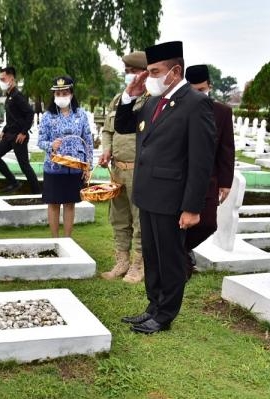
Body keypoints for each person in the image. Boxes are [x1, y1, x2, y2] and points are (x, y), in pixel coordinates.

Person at [114, 41, 216, 334]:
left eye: (154, 71)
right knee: (153, 255)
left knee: (170, 258)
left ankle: (165, 314)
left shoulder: (196, 104)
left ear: (175, 71)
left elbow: (201, 161)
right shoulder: (152, 100)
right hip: (148, 194)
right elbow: (124, 126)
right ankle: (153, 306)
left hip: (173, 199)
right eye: (147, 72)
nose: (148, 78)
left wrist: (193, 207)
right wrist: (128, 96)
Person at [99, 51, 148, 283]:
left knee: (139, 219)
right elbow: (108, 130)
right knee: (118, 217)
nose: (129, 76)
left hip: (138, 170)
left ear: (145, 73)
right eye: (127, 72)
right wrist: (106, 149)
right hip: (117, 169)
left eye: (133, 72)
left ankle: (139, 265)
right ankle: (122, 261)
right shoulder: (119, 99)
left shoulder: (150, 100)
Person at [184, 64, 235, 279]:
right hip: (179, 177)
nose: (198, 94)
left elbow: (226, 148)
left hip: (208, 177)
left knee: (207, 223)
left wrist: (226, 182)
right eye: (193, 90)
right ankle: (180, 262)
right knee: (178, 222)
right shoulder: (178, 108)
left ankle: (181, 250)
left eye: (202, 89)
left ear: (210, 87)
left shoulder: (222, 112)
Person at [38, 76, 93, 238]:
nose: (61, 96)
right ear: (54, 95)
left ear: (71, 93)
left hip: (75, 168)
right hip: (54, 168)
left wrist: (88, 165)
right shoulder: (48, 116)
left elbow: (88, 141)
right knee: (53, 204)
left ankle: (68, 239)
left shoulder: (80, 115)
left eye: (65, 92)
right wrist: (50, 145)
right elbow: (40, 140)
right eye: (58, 93)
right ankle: (55, 240)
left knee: (70, 204)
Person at [0, 66, 40, 194]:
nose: (1, 81)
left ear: (11, 79)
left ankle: (37, 192)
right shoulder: (9, 96)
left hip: (19, 137)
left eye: (3, 79)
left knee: (24, 166)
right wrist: (4, 129)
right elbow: (12, 117)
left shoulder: (18, 96)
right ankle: (14, 182)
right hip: (9, 135)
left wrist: (24, 132)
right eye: (0, 79)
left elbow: (30, 113)